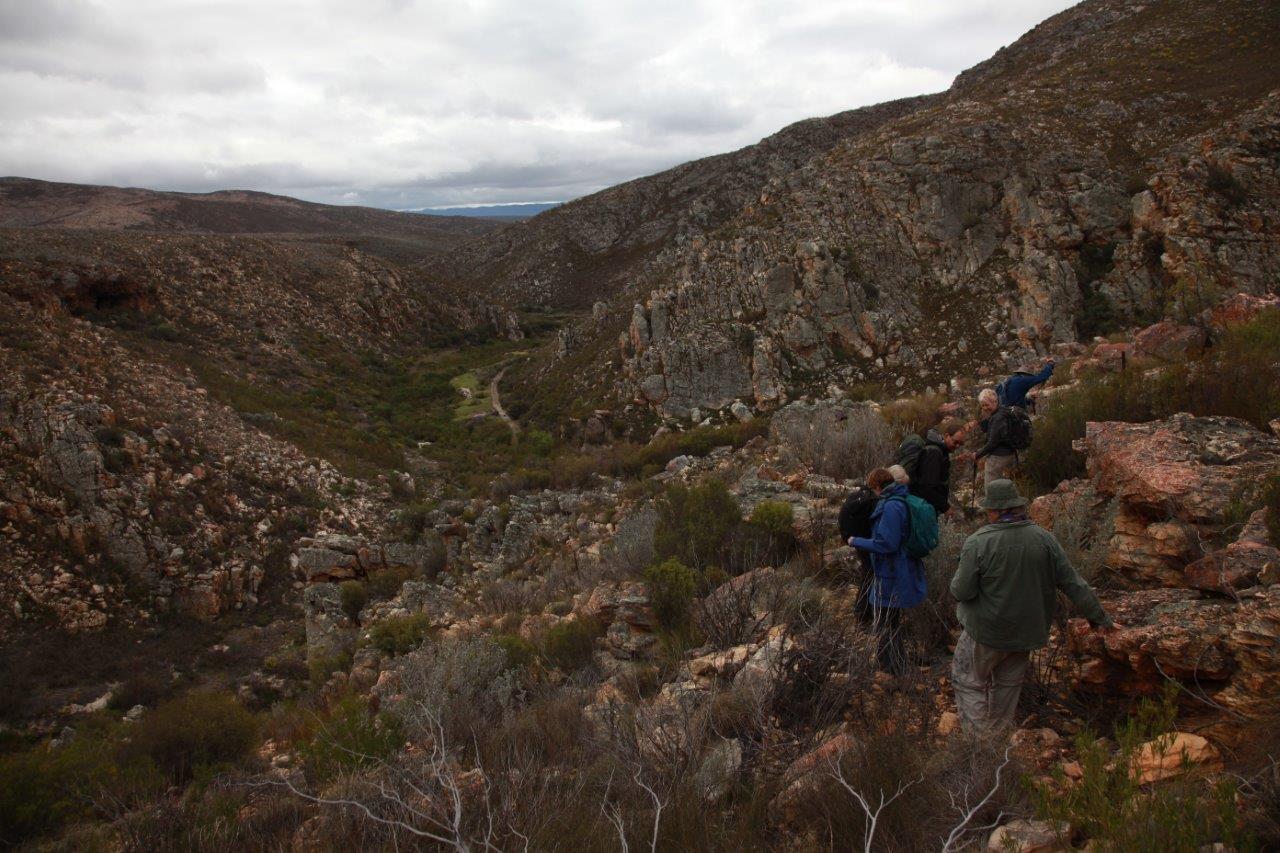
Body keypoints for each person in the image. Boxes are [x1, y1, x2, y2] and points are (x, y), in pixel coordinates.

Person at [949, 479, 1117, 731]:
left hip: (986, 631)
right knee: (1007, 686)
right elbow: (1073, 583)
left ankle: (978, 744)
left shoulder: (979, 542)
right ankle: (996, 740)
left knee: (967, 681)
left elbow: (962, 591)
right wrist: (1100, 618)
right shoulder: (1045, 538)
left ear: (994, 510)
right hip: (1026, 632)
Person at [848, 468, 926, 676]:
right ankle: (890, 664)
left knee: (886, 619)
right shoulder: (901, 499)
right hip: (896, 568)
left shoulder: (892, 506)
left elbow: (887, 544)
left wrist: (857, 541)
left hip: (892, 571)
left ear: (877, 486)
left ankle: (894, 668)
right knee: (890, 619)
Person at [909, 418, 966, 516]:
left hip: (926, 504)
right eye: (955, 442)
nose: (957, 446)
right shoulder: (934, 453)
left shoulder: (941, 451)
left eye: (960, 444)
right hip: (923, 506)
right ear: (946, 436)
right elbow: (928, 486)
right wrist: (945, 507)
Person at [974, 389, 1019, 485]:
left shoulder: (998, 418)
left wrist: (977, 454)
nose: (985, 408)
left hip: (998, 458)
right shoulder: (1003, 412)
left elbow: (992, 442)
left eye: (987, 405)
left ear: (995, 402)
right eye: (983, 405)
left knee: (991, 487)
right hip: (1010, 454)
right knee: (1006, 486)